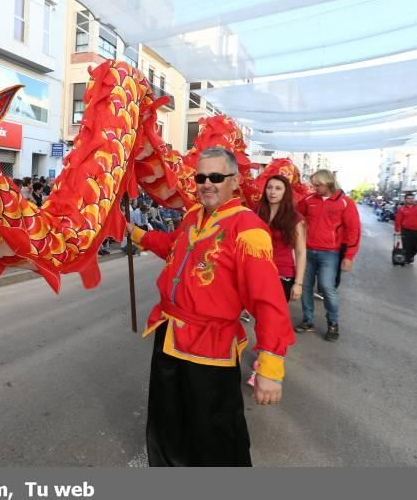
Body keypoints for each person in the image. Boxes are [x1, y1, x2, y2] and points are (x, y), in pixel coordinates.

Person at [126, 147, 295, 466]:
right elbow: (173, 247)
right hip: (170, 337)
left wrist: (270, 367)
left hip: (211, 348)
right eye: (201, 177)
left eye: (216, 177)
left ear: (235, 181)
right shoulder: (192, 216)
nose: (207, 183)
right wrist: (137, 234)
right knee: (168, 421)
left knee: (213, 432)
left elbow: (268, 301)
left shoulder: (248, 230)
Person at [296, 169, 361, 342]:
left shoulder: (346, 203)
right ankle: (308, 321)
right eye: (313, 185)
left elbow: (353, 230)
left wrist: (349, 256)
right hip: (308, 251)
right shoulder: (308, 201)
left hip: (330, 253)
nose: (315, 188)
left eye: (318, 185)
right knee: (306, 287)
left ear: (329, 183)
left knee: (327, 287)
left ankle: (333, 323)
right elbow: (295, 216)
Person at [257, 175, 307, 302]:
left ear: (286, 192)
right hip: (257, 271)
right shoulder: (256, 212)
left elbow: (300, 252)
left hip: (282, 273)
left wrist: (298, 283)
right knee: (259, 316)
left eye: (278, 188)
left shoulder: (295, 218)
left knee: (273, 318)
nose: (272, 192)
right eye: (269, 187)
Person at [393, 192, 417, 264]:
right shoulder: (402, 209)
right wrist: (397, 230)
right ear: (405, 200)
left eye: (412, 198)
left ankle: (410, 256)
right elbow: (398, 220)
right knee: (407, 246)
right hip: (406, 230)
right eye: (409, 198)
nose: (411, 200)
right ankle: (407, 258)